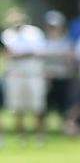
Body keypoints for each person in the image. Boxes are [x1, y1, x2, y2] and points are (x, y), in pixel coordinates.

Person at [1, 9, 47, 146]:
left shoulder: (34, 33)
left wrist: (18, 55)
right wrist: (20, 55)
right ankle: (22, 137)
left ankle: (40, 136)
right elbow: (6, 54)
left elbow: (37, 52)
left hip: (33, 74)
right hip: (15, 75)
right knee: (17, 107)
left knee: (38, 106)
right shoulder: (7, 34)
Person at [40, 10, 74, 132]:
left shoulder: (66, 41)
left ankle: (64, 127)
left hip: (62, 77)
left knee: (63, 104)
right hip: (47, 78)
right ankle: (43, 128)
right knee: (45, 106)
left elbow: (69, 59)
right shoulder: (42, 41)